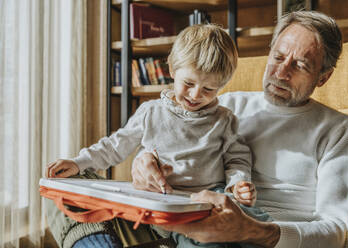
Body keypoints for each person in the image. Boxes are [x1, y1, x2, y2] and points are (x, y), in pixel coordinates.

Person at [131, 10, 348, 247]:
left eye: (301, 65)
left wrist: (253, 231)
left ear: (323, 78)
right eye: (278, 57)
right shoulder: (226, 106)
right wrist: (145, 161)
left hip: (267, 238)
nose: (281, 73)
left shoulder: (338, 130)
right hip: (187, 221)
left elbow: (337, 230)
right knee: (92, 193)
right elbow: (171, 144)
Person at [45, 24, 271, 248]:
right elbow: (115, 146)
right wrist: (78, 162)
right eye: (189, 83)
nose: (195, 95)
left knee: (250, 221)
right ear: (172, 69)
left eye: (208, 89)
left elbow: (237, 158)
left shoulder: (224, 120)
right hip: (159, 202)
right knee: (63, 186)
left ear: (222, 86)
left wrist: (238, 183)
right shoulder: (151, 111)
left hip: (204, 201)